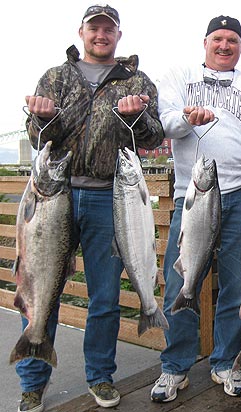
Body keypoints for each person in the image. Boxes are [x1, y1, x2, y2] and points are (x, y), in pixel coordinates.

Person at [18, 4, 164, 412]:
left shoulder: (136, 80)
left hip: (110, 198)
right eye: (94, 28)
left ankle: (100, 376)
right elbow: (36, 138)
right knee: (42, 287)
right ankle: (32, 382)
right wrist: (41, 117)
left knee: (103, 296)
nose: (102, 35)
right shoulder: (56, 76)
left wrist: (137, 117)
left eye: (109, 29)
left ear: (118, 35)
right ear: (82, 32)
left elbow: (153, 136)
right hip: (56, 195)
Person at [151, 15, 241, 402]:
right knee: (180, 282)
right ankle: (174, 368)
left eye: (233, 41)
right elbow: (167, 124)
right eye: (218, 39)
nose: (225, 46)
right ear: (205, 42)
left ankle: (226, 361)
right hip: (193, 196)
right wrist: (188, 119)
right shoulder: (178, 74)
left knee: (238, 284)